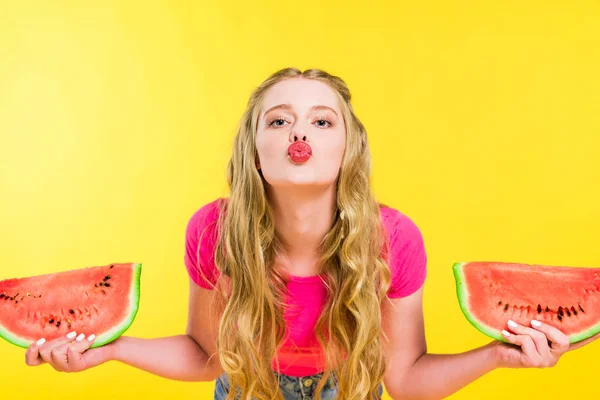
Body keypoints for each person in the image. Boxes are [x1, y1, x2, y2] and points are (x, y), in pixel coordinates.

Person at [24, 68, 600, 400]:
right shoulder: (213, 231)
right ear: (254, 151)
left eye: (323, 121)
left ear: (348, 148)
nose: (300, 130)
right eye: (278, 120)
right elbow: (206, 358)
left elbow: (403, 380)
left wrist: (500, 357)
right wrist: (107, 349)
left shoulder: (393, 239)